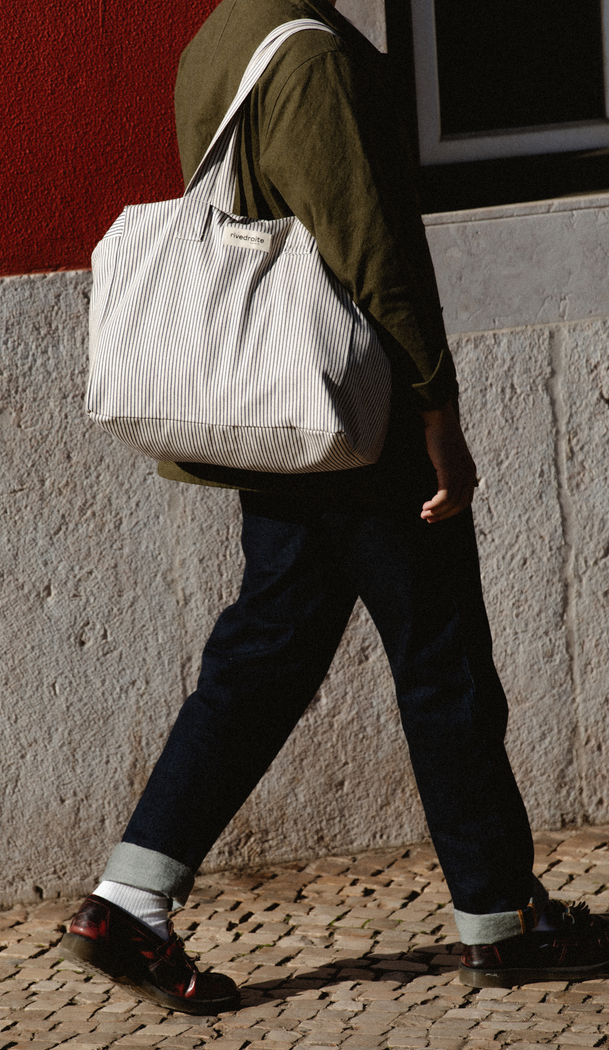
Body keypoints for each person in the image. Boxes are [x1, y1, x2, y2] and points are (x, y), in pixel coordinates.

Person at [61, 0, 609, 1013]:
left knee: (258, 661)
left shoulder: (218, 39)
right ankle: (497, 917)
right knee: (439, 655)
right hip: (354, 414)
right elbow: (369, 246)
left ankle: (125, 900)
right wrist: (435, 406)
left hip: (282, 413)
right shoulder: (308, 52)